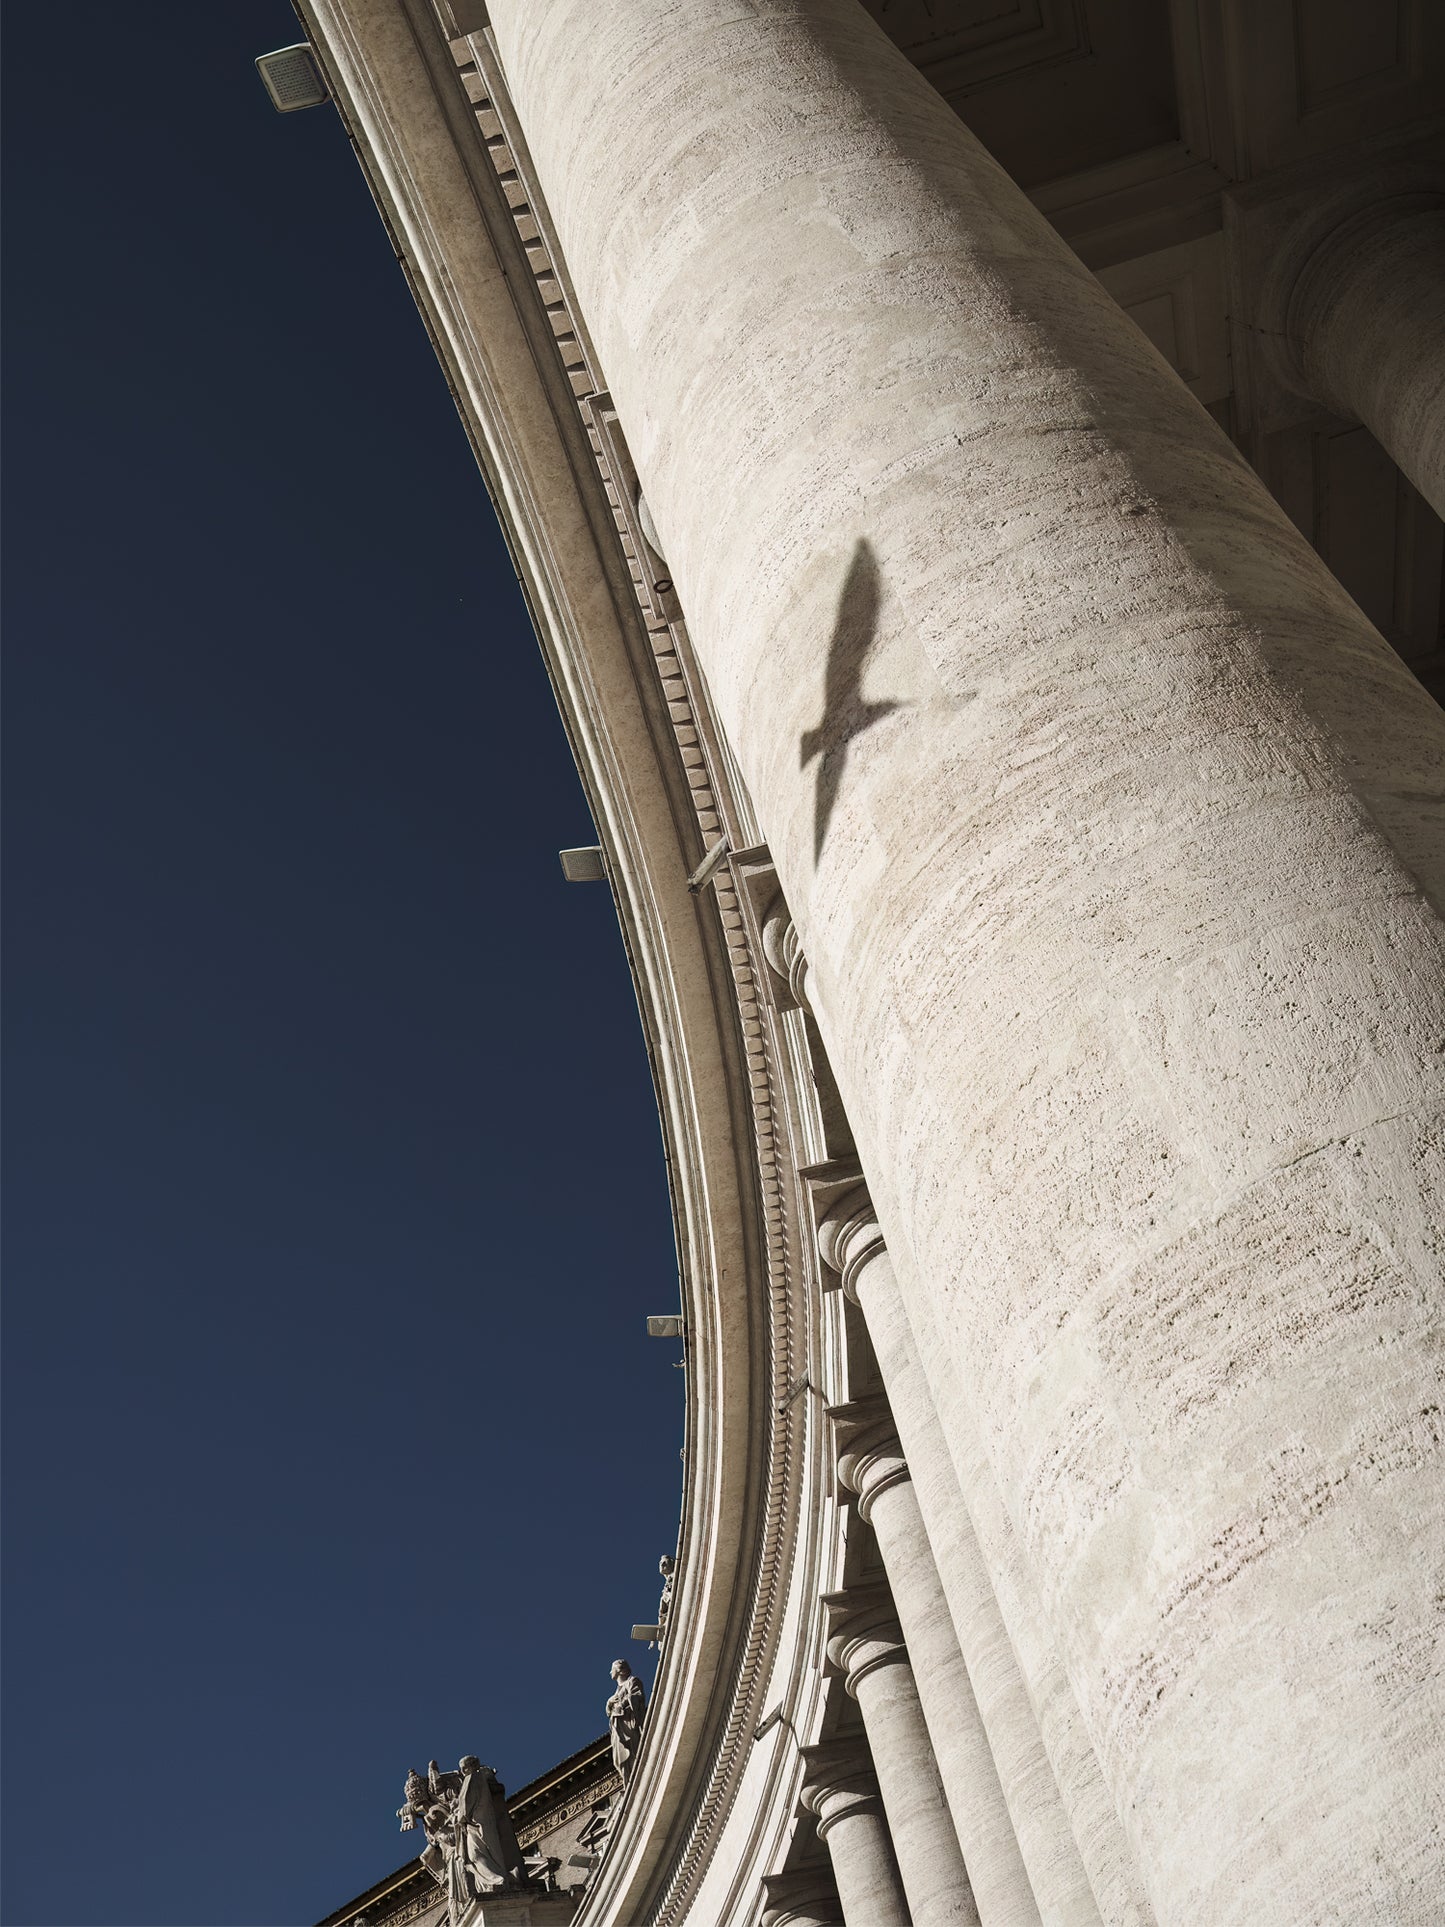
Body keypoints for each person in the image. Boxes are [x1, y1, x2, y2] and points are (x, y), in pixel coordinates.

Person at [606, 1659, 647, 1778]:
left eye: (612, 1669)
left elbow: (637, 1695)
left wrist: (622, 1704)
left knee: (632, 1751)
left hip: (629, 1723)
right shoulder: (615, 1694)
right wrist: (609, 1703)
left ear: (619, 1670)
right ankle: (628, 1780)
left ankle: (636, 1775)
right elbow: (609, 1712)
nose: (610, 1672)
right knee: (619, 1759)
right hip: (617, 1728)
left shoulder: (632, 1681)